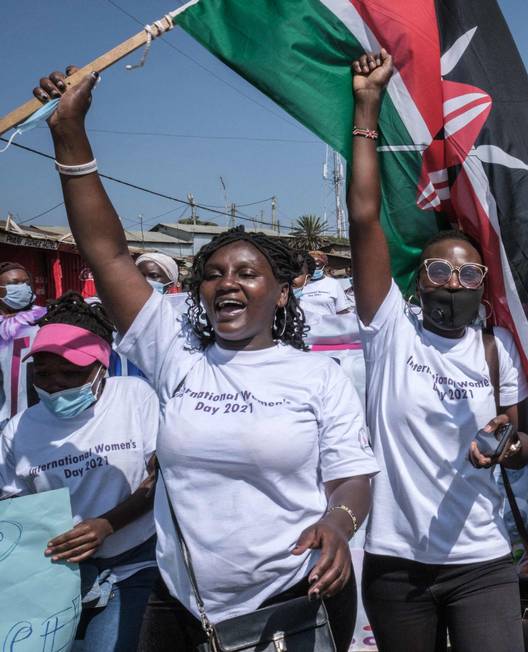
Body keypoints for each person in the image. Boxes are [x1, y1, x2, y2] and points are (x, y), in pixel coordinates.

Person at [36, 66, 378, 651]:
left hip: (292, 600)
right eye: (214, 274)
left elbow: (352, 477)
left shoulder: (316, 376)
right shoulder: (176, 357)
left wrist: (336, 526)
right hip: (182, 604)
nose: (229, 284)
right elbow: (108, 252)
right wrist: (70, 132)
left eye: (248, 273)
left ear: (282, 290)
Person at [347, 51, 528, 652]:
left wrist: (507, 442)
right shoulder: (389, 329)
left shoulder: (497, 348)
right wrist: (366, 110)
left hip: (480, 559)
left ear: (484, 285)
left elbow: (523, 446)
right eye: (438, 271)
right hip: (395, 562)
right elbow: (364, 218)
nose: (452, 283)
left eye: (467, 275)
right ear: (418, 280)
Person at [0, 293, 158, 651]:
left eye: (70, 373)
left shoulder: (135, 399)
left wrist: (107, 524)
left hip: (134, 562)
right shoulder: (19, 429)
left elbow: (159, 479)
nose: (54, 383)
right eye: (43, 372)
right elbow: (14, 508)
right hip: (57, 574)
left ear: (102, 365)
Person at [0, 261, 46, 423]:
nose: (23, 288)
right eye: (14, 284)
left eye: (26, 283)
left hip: (42, 419)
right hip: (5, 421)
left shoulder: (48, 318)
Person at [295, 250, 352, 318]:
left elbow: (342, 311)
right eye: (311, 265)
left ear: (324, 265)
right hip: (304, 326)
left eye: (317, 265)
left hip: (328, 326)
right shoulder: (298, 284)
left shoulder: (333, 284)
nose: (314, 268)